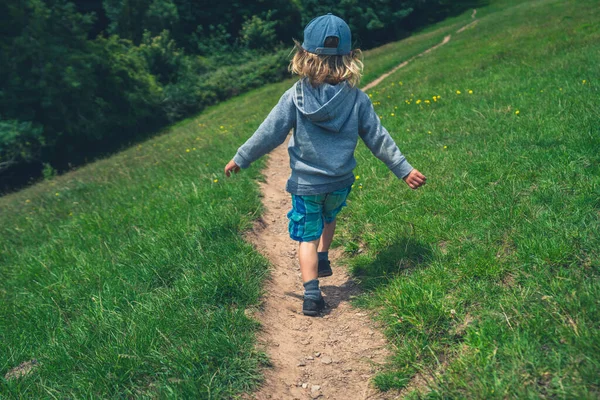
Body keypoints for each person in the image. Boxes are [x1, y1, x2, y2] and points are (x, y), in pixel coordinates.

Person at [224, 13, 426, 316]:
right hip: (340, 182)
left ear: (304, 55)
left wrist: (242, 157)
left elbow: (269, 133)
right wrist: (404, 169)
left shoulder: (294, 97)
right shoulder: (358, 100)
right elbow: (378, 139)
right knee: (328, 218)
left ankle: (312, 295)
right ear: (349, 57)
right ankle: (324, 256)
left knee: (306, 235)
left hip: (307, 184)